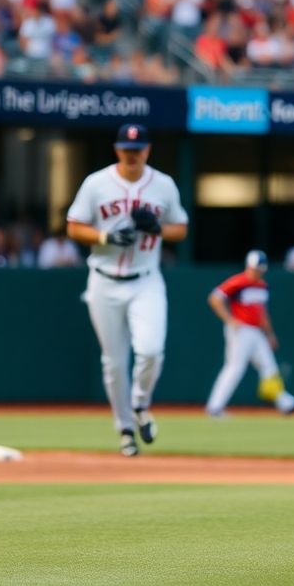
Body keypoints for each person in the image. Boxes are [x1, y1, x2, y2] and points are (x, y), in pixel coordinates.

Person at [66, 124, 189, 456]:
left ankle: (139, 402)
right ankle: (124, 429)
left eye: (137, 149)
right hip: (104, 279)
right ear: (117, 149)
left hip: (146, 278)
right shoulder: (97, 183)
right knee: (114, 362)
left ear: (147, 150)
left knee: (150, 350)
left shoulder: (162, 184)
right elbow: (74, 225)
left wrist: (158, 229)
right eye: (126, 148)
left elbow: (181, 227)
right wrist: (105, 237)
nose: (131, 154)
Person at [205, 250, 294, 417]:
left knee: (269, 367)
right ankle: (215, 407)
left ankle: (286, 404)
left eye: (260, 269)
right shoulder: (238, 281)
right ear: (249, 266)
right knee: (234, 368)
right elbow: (214, 298)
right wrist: (229, 319)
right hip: (240, 331)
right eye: (256, 268)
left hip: (256, 332)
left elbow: (262, 313)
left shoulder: (262, 285)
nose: (258, 272)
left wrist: (269, 334)